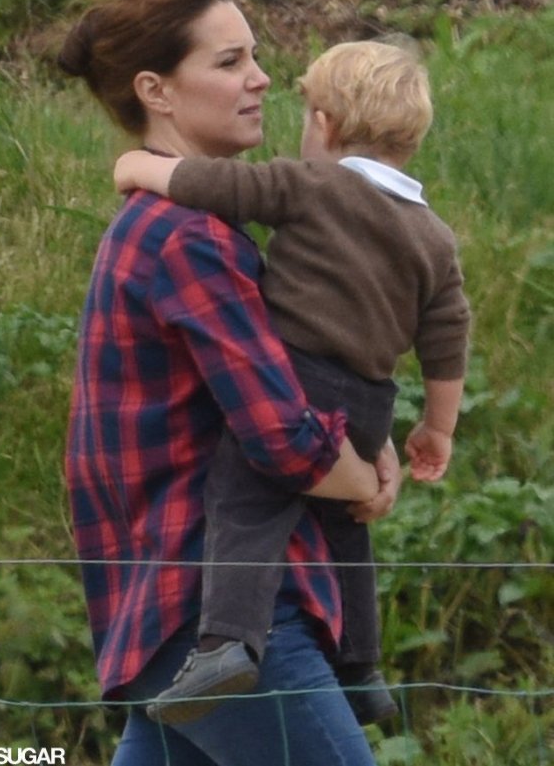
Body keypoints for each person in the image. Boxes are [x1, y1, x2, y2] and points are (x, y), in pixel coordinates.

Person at [60, 0, 400, 766]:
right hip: (228, 620)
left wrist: (360, 442)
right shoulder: (189, 238)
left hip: (170, 614)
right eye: (229, 61)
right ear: (158, 90)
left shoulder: (167, 225)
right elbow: (283, 438)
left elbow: (283, 385)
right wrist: (365, 479)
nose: (262, 77)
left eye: (254, 56)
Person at [114, 39, 472, 724]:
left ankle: (227, 643)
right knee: (346, 527)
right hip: (372, 402)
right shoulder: (433, 235)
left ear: (327, 124)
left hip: (302, 379)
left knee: (244, 502)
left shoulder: (312, 185)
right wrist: (437, 426)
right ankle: (362, 664)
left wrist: (140, 167)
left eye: (307, 113)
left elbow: (219, 186)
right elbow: (447, 337)